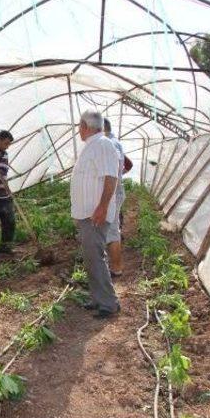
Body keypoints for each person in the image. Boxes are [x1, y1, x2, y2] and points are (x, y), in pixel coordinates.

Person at [70, 111, 120, 319]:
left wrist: (101, 207)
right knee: (91, 258)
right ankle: (98, 298)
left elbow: (110, 177)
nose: (78, 129)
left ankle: (109, 303)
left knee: (96, 257)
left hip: (95, 215)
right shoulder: (91, 146)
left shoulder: (103, 144)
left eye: (79, 125)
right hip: (87, 215)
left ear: (86, 125)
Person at [103, 118, 133, 277]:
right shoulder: (114, 143)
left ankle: (115, 268)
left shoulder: (110, 145)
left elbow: (109, 174)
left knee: (112, 232)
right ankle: (112, 265)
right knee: (110, 230)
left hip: (112, 192)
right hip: (115, 191)